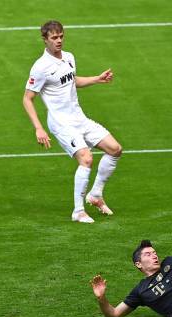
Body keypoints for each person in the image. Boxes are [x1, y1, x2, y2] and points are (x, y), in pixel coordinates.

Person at [23, 20, 122, 223]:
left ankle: (95, 195)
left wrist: (96, 79)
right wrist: (38, 128)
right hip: (61, 122)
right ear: (45, 40)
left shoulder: (68, 57)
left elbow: (71, 81)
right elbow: (27, 98)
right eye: (54, 38)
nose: (59, 41)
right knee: (86, 159)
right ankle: (78, 211)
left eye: (61, 36)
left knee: (115, 149)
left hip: (78, 117)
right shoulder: (41, 67)